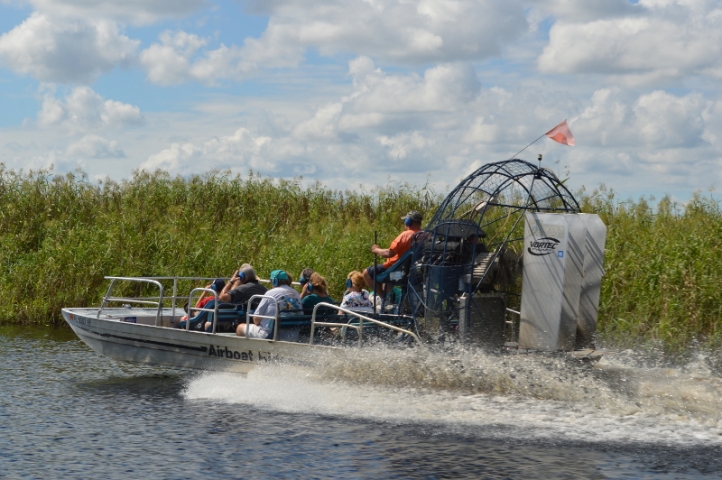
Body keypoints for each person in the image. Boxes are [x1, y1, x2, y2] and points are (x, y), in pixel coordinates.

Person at [363, 210, 422, 300]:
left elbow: (389, 253)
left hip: (397, 271)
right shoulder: (426, 235)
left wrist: (376, 250)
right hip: (411, 272)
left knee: (367, 273)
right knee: (387, 281)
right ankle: (386, 301)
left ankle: (383, 298)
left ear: (408, 221)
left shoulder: (406, 235)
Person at [236, 269, 302, 339]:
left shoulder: (270, 293)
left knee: (240, 328)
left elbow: (256, 319)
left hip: (271, 334)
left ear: (274, 281)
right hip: (292, 336)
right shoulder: (296, 293)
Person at [205, 264, 267, 332]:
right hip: (258, 323)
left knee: (208, 325)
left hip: (241, 323)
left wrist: (231, 281)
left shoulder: (243, 289)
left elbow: (223, 297)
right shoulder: (264, 289)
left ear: (242, 276)